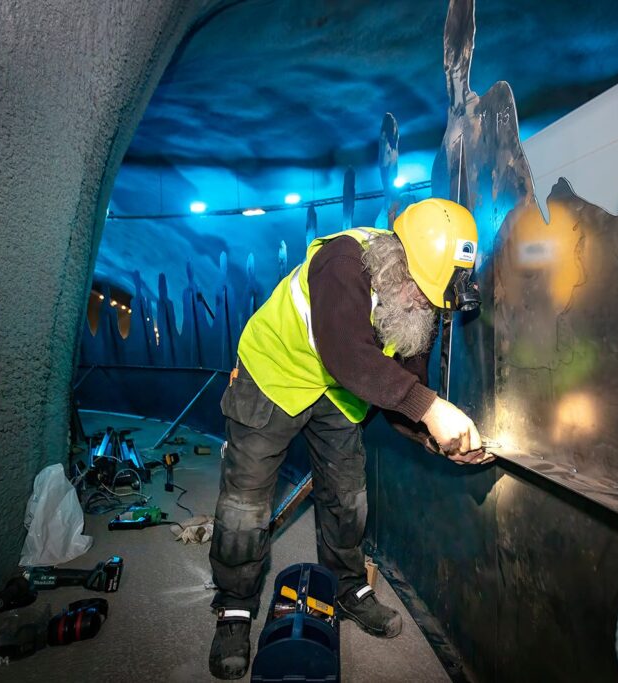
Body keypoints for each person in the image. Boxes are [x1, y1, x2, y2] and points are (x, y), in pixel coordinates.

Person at [208, 198, 490, 679]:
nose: (425, 307)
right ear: (400, 260)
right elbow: (346, 352)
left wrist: (433, 437)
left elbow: (404, 385)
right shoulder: (343, 261)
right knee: (246, 501)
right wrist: (434, 409)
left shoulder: (419, 306)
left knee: (348, 496)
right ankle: (235, 607)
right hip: (273, 373)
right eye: (421, 293)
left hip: (340, 392)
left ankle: (347, 586)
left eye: (434, 303)